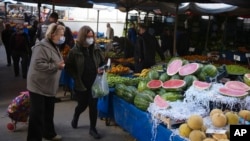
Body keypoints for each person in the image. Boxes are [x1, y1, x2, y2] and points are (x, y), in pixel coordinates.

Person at [26, 23, 65, 141]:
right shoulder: (41, 47)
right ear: (53, 35)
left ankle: (48, 133)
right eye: (61, 35)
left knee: (49, 112)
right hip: (38, 85)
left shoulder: (53, 45)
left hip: (48, 85)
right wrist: (56, 66)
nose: (63, 37)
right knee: (37, 115)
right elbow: (38, 64)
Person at [65, 25, 105, 139]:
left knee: (93, 106)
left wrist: (102, 69)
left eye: (92, 36)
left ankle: (93, 129)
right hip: (81, 84)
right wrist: (76, 76)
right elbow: (69, 67)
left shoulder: (96, 49)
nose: (90, 39)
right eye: (88, 36)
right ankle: (76, 115)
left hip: (94, 82)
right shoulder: (74, 51)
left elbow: (103, 62)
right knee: (82, 105)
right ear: (83, 37)